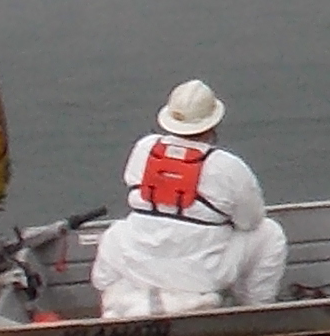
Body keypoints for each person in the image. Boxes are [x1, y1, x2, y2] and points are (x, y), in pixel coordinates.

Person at [89, 78, 291, 317]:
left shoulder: (144, 148)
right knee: (269, 233)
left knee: (116, 232)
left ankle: (110, 306)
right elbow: (251, 221)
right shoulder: (227, 166)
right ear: (212, 123)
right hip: (200, 275)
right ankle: (256, 310)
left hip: (138, 263)